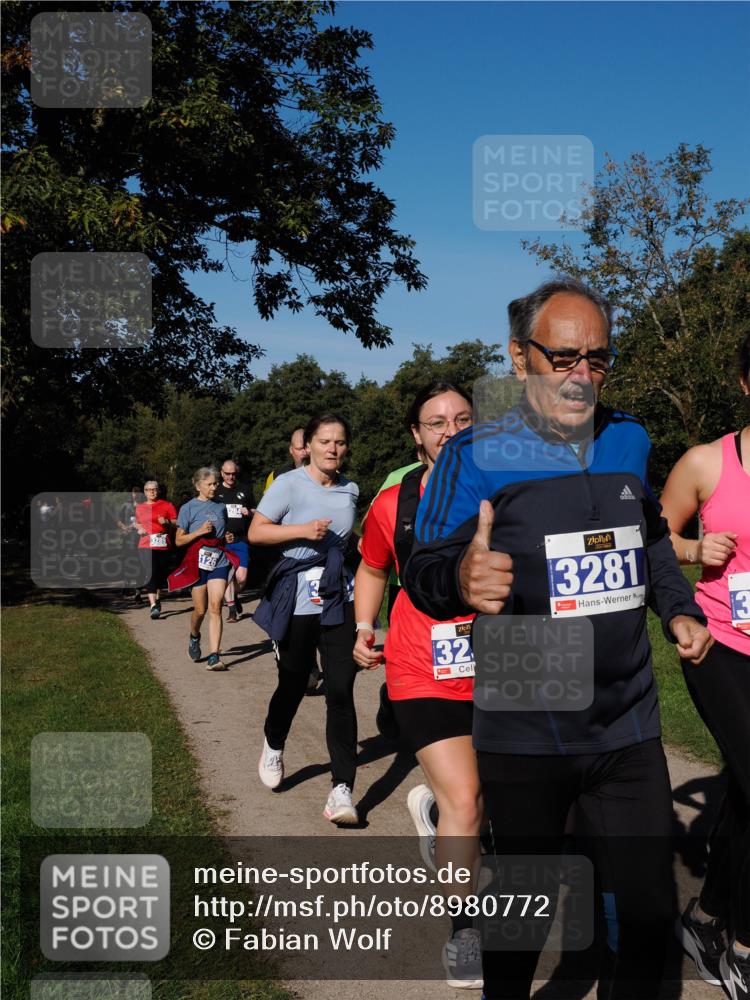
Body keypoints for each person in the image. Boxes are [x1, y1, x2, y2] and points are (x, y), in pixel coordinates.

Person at [403, 277, 713, 1000]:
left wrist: (676, 608)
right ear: (519, 359)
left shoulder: (630, 437)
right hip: (525, 725)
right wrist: (459, 577)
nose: (583, 377)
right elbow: (424, 565)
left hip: (627, 724)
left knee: (645, 916)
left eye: (599, 360)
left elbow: (655, 540)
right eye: (564, 357)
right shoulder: (474, 452)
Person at [353, 381, 483, 988]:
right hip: (420, 660)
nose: (451, 431)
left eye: (463, 418)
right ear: (417, 435)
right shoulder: (393, 503)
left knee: (499, 799)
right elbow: (374, 565)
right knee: (468, 799)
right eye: (436, 423)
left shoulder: (513, 491)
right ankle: (466, 934)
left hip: (509, 659)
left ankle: (434, 814)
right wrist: (362, 627)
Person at [660, 333, 750, 999]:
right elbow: (652, 539)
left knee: (746, 790)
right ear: (746, 383)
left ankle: (707, 917)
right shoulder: (706, 463)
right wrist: (695, 548)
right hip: (719, 645)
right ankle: (743, 945)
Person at [250, 415, 360, 824]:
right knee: (294, 682)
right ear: (308, 445)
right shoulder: (288, 484)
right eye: (325, 441)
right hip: (297, 597)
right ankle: (274, 743)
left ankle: (342, 789)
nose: (333, 448)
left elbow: (349, 541)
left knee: (341, 690)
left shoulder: (351, 489)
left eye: (340, 442)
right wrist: (300, 530)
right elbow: (257, 533)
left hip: (337, 597)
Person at [169, 467, 239, 671]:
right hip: (196, 562)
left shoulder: (220, 507)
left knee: (215, 607)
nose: (214, 487)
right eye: (210, 484)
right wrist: (199, 532)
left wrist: (227, 537)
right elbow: (179, 540)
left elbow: (222, 532)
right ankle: (194, 636)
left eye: (216, 483)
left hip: (219, 560)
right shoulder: (188, 508)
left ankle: (214, 655)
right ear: (198, 485)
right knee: (200, 610)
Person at [214, 460, 255, 622]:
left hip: (242, 539)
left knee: (241, 577)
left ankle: (234, 596)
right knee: (228, 575)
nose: (231, 477)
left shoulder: (245, 489)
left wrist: (249, 512)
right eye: (228, 474)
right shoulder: (216, 491)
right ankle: (231, 608)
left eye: (234, 474)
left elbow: (256, 510)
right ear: (222, 473)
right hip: (224, 541)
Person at [134, 480, 177, 619]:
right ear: (145, 492)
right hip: (146, 544)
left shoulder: (167, 505)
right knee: (150, 572)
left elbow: (177, 522)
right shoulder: (140, 507)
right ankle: (153, 606)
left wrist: (168, 522)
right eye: (148, 489)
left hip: (163, 544)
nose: (152, 492)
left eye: (154, 489)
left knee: (160, 574)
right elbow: (137, 522)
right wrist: (139, 528)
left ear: (158, 491)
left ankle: (157, 598)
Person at [263, 426, 307, 493]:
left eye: (307, 448)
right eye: (299, 449)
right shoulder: (276, 476)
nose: (304, 453)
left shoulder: (326, 475)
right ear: (291, 450)